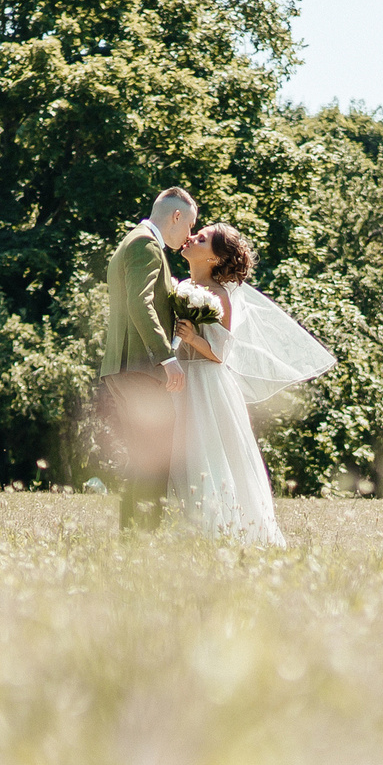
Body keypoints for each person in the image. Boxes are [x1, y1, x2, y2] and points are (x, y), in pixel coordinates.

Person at [163, 222, 335, 545]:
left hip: (209, 386)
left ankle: (223, 530)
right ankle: (185, 529)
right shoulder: (184, 286)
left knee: (210, 453)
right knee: (182, 453)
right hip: (185, 380)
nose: (192, 237)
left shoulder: (220, 296)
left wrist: (191, 338)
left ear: (213, 259)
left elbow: (221, 353)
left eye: (202, 239)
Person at [97, 187, 196, 530]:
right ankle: (145, 537)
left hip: (123, 367)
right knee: (155, 457)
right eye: (189, 227)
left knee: (142, 458)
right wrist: (166, 357)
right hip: (139, 366)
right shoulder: (146, 244)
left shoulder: (133, 241)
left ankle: (131, 538)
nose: (189, 237)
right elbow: (141, 303)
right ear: (176, 216)